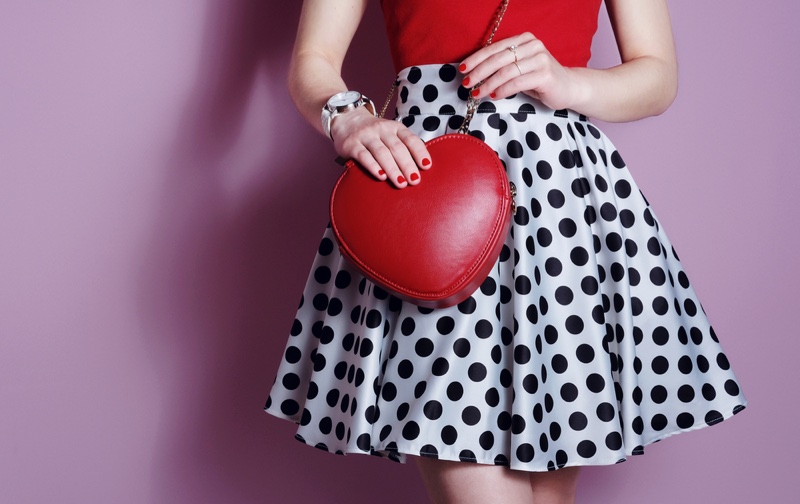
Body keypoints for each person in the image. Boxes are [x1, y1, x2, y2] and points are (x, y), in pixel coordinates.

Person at [265, 1, 747, 502]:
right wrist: (347, 118)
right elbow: (313, 58)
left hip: (560, 203)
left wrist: (570, 83)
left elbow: (658, 74)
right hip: (434, 196)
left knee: (549, 496)